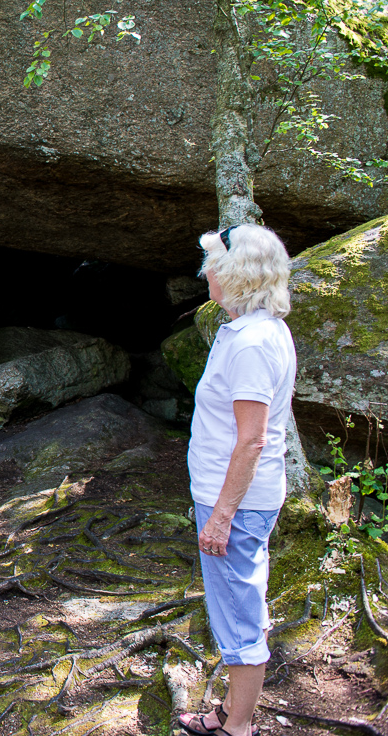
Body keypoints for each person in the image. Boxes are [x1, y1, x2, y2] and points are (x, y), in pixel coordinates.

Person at [178, 224, 296, 736]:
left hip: (237, 503)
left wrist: (222, 516)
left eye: (212, 263)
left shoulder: (251, 343)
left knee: (237, 613)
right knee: (240, 600)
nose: (205, 272)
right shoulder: (256, 330)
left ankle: (237, 727)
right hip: (239, 498)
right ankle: (230, 711)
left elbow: (252, 440)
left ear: (234, 274)